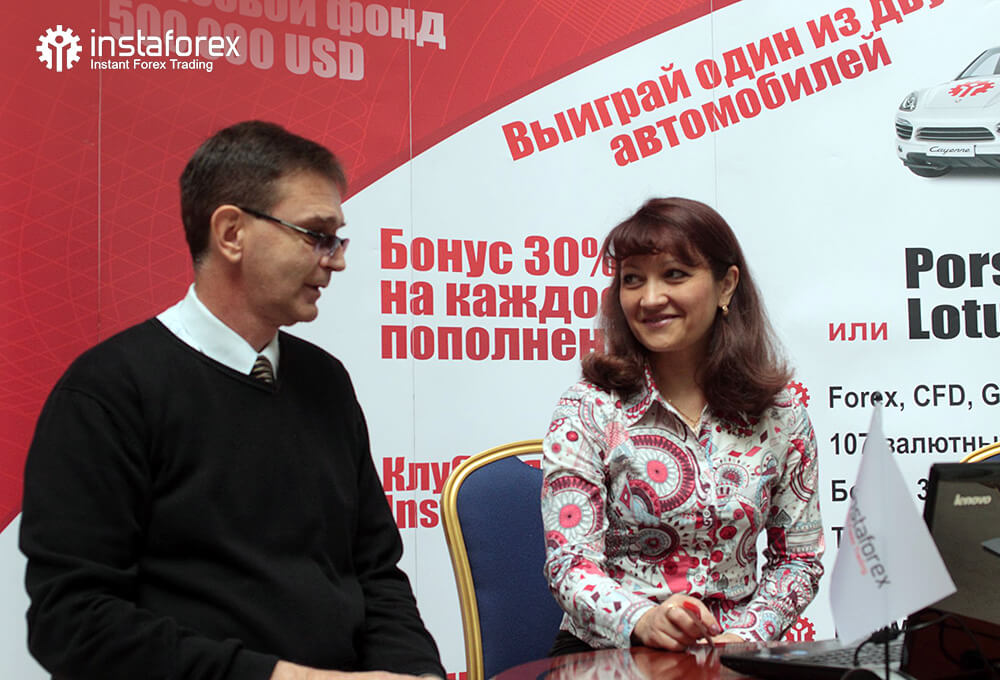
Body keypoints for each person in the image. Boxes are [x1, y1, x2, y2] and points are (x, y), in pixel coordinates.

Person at [19, 121, 445, 680]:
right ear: (231, 233)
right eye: (316, 235)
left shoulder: (326, 382)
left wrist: (414, 673)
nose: (336, 260)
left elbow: (377, 575)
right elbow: (74, 623)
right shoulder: (108, 392)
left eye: (337, 239)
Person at [541, 198, 824, 654]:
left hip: (735, 652)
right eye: (633, 279)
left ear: (726, 285)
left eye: (674, 274)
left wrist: (745, 637)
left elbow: (799, 559)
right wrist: (642, 619)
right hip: (614, 652)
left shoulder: (781, 414)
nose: (650, 298)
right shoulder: (589, 408)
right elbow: (570, 564)